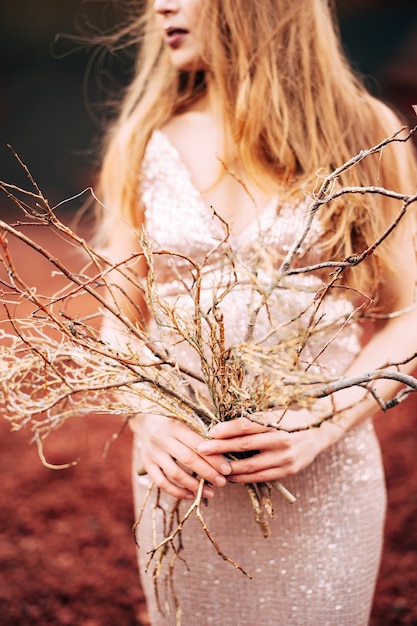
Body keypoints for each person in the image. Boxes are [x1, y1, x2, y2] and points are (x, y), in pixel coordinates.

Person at [96, 1, 417, 624]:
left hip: (325, 479)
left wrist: (321, 425)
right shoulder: (145, 138)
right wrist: (149, 422)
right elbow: (119, 321)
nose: (161, 5)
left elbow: (412, 316)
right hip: (182, 485)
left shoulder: (363, 132)